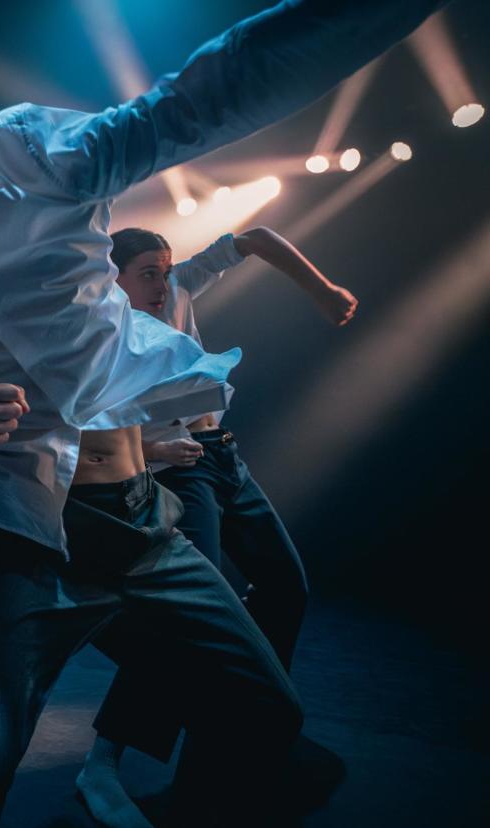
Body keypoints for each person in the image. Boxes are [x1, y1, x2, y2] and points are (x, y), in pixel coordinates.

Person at [0, 0, 443, 823]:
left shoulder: (36, 154)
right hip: (16, 549)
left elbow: (196, 99)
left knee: (264, 714)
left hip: (138, 527)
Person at [75, 227, 357, 825]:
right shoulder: (101, 328)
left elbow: (253, 237)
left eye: (165, 269)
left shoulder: (176, 288)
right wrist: (151, 449)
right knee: (187, 618)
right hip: (177, 469)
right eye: (147, 272)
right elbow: (86, 430)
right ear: (114, 277)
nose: (161, 282)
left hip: (222, 455)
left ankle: (242, 724)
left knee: (285, 585)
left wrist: (322, 288)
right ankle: (101, 764)